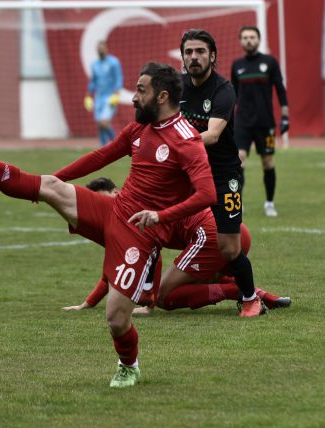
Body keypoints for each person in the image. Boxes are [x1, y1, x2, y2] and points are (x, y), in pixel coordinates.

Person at [0, 62, 217, 388]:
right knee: (49, 187)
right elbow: (100, 157)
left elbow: (208, 193)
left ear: (162, 96)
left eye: (141, 91)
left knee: (115, 318)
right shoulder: (139, 129)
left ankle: (129, 365)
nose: (133, 98)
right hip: (113, 210)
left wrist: (160, 216)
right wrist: (58, 176)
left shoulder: (186, 140)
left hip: (140, 234)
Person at [62, 178, 291, 313]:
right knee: (204, 279)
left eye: (104, 199)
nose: (102, 205)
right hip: (233, 232)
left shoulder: (130, 212)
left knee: (163, 297)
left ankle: (238, 292)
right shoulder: (129, 205)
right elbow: (117, 265)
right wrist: (89, 303)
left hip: (209, 235)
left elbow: (153, 255)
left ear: (116, 192)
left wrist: (151, 302)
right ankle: (265, 296)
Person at [179, 29, 265, 318]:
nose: (194, 57)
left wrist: (173, 144)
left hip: (223, 176)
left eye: (200, 51)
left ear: (212, 56)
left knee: (229, 247)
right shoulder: (176, 88)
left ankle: (252, 298)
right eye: (189, 52)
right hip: (186, 173)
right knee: (152, 227)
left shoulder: (223, 89)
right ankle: (148, 295)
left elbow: (213, 135)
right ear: (182, 57)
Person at [231, 26, 289, 217]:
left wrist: (285, 115)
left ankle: (269, 203)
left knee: (268, 162)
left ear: (259, 39)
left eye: (252, 37)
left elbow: (280, 89)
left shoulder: (270, 62)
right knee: (239, 161)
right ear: (240, 41)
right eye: (245, 37)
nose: (249, 40)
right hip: (242, 123)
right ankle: (237, 202)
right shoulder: (236, 65)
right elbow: (233, 95)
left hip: (266, 123)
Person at [84, 41, 123, 147]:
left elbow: (118, 78)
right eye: (98, 48)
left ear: (106, 49)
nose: (100, 50)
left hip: (110, 96)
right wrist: (88, 95)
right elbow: (93, 81)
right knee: (99, 125)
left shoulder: (114, 62)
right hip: (99, 97)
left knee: (104, 122)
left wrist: (116, 93)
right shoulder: (94, 64)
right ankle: (103, 146)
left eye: (102, 48)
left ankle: (117, 144)